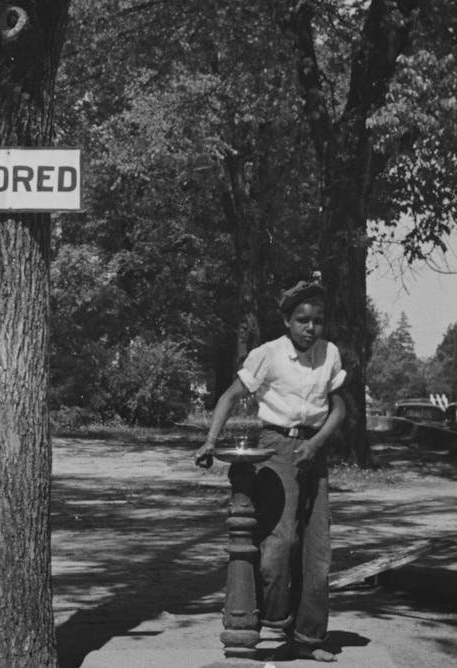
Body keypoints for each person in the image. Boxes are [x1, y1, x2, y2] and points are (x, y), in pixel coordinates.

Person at [194, 275, 348, 663]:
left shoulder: (330, 353)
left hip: (314, 450)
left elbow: (340, 406)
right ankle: (275, 618)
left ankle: (308, 639)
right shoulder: (268, 354)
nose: (310, 328)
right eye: (302, 320)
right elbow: (231, 395)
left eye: (317, 320)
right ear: (287, 321)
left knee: (317, 551)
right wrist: (211, 440)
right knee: (278, 546)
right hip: (276, 447)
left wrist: (315, 444)